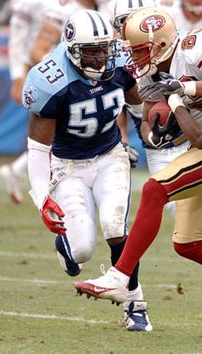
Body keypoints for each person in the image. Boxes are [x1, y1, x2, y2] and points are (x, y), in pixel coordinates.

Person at [22, 9, 152, 331]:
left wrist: (145, 129)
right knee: (81, 250)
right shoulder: (50, 81)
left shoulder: (120, 59)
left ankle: (136, 304)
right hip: (68, 166)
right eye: (90, 52)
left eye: (104, 49)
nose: (99, 59)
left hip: (110, 155)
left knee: (114, 224)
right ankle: (66, 250)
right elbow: (38, 149)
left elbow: (136, 102)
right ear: (71, 50)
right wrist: (41, 199)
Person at [74, 7, 202, 305]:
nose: (134, 58)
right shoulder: (150, 73)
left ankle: (120, 278)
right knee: (188, 243)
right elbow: (148, 120)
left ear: (160, 44)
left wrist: (182, 90)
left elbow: (195, 134)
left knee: (154, 190)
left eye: (140, 51)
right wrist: (154, 134)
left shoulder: (194, 50)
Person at [0, 0, 96, 204]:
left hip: (81, 82)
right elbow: (35, 50)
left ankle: (17, 169)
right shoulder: (64, 10)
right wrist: (61, 73)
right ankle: (47, 184)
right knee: (60, 135)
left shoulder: (93, 10)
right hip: (67, 84)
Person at [113, 0, 190, 217]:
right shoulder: (120, 59)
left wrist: (184, 91)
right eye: (125, 22)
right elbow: (116, 103)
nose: (132, 27)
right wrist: (124, 139)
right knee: (179, 211)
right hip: (161, 142)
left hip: (193, 133)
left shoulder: (184, 47)